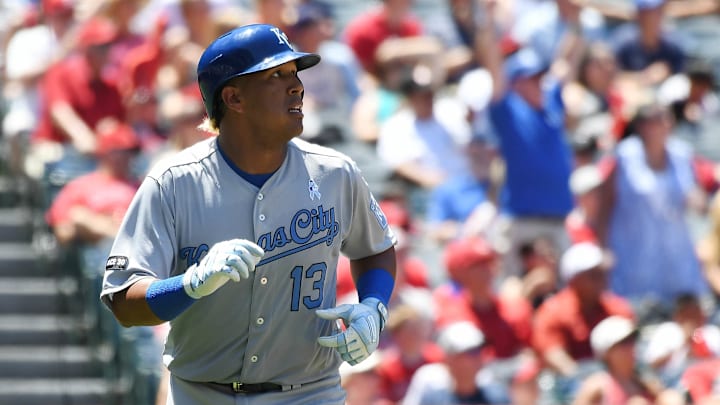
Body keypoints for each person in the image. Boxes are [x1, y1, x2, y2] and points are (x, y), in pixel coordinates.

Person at [99, 24, 397, 405]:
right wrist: (190, 285)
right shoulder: (173, 183)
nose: (297, 87)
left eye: (295, 73)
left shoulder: (335, 173)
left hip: (309, 393)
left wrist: (374, 306)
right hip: (201, 394)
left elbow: (375, 248)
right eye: (276, 75)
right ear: (234, 98)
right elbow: (124, 301)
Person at [532, 242, 635, 403]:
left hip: (616, 381)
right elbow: (554, 355)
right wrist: (587, 381)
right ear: (574, 279)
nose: (602, 280)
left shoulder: (618, 308)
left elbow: (631, 352)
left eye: (603, 273)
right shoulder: (553, 311)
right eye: (593, 275)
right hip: (570, 385)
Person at [573, 316, 681, 405]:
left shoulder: (644, 382)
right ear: (607, 353)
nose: (631, 347)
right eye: (623, 343)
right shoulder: (598, 385)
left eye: (632, 340)